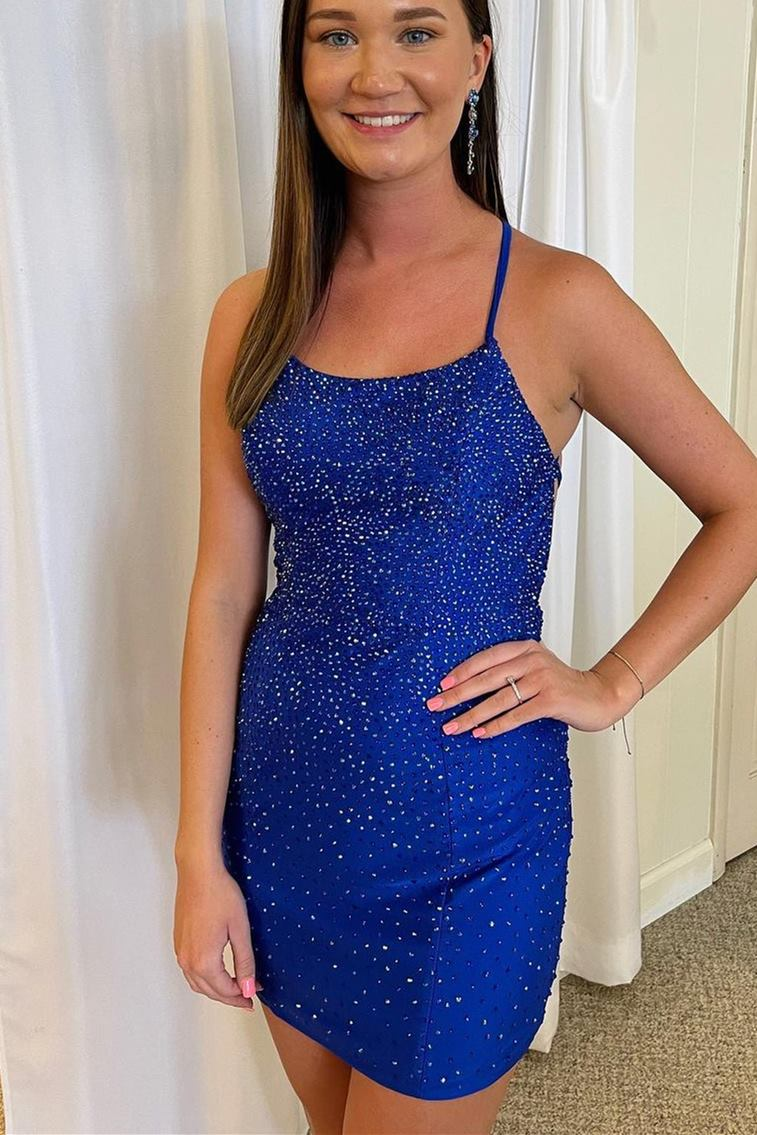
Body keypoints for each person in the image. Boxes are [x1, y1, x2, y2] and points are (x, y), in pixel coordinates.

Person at [173, 1, 757, 1133]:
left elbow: (739, 503)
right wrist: (200, 852)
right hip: (286, 818)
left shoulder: (557, 298)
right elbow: (222, 590)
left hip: (473, 841)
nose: (374, 71)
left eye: (416, 31)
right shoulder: (250, 314)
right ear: (298, 65)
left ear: (477, 60)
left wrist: (613, 681)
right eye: (334, 34)